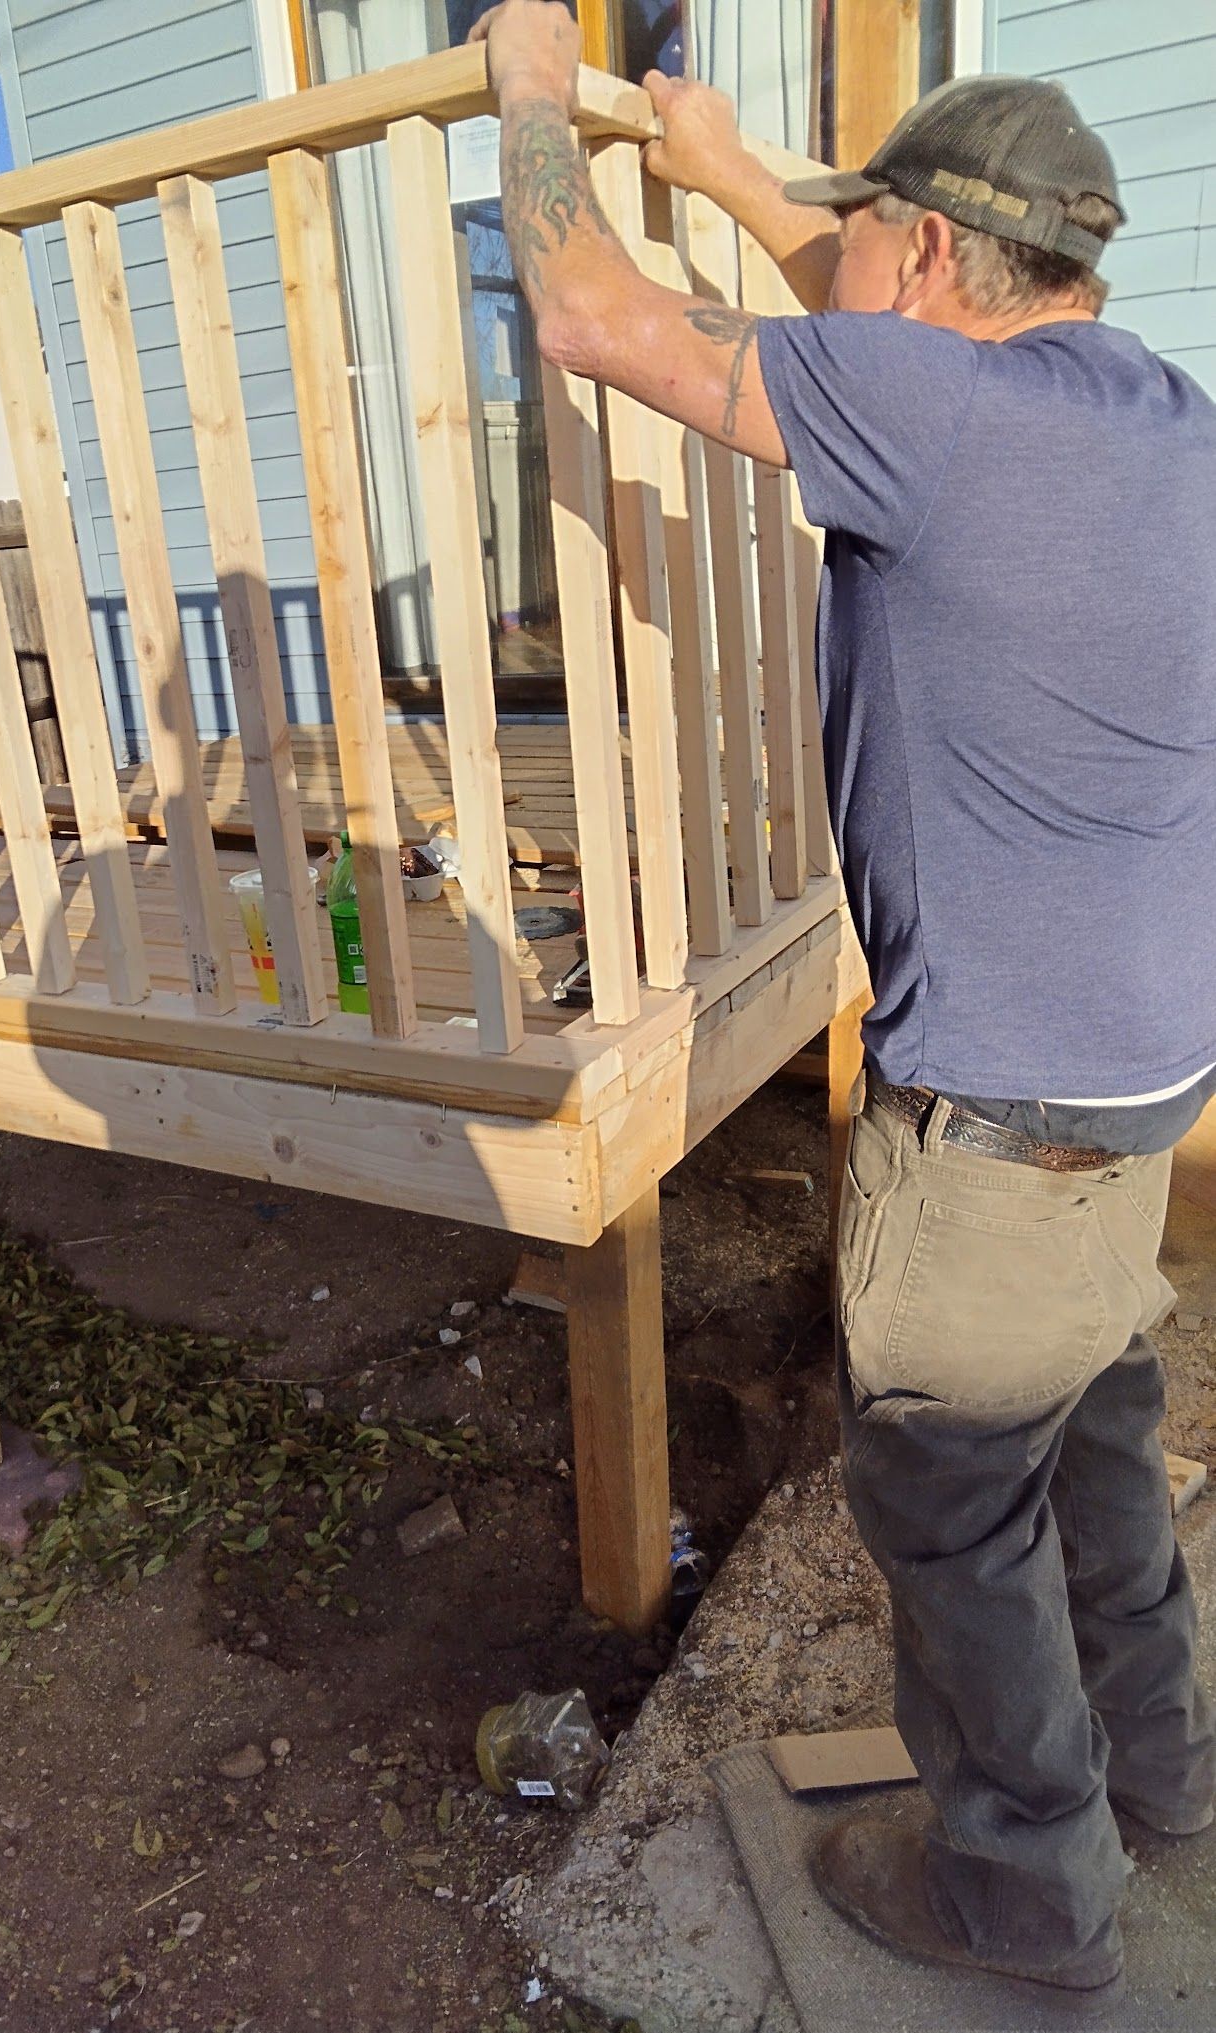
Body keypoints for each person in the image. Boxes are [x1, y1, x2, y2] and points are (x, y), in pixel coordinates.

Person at [469, 0, 1216, 2012]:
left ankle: (1021, 1895)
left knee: (958, 1525)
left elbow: (594, 321)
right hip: (1142, 1093)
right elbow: (883, 328)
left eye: (860, 238)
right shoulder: (1152, 414)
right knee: (1091, 1443)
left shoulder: (934, 421)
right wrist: (730, 172)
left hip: (989, 1124)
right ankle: (1163, 1780)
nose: (844, 268)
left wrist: (531, 95)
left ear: (914, 259)